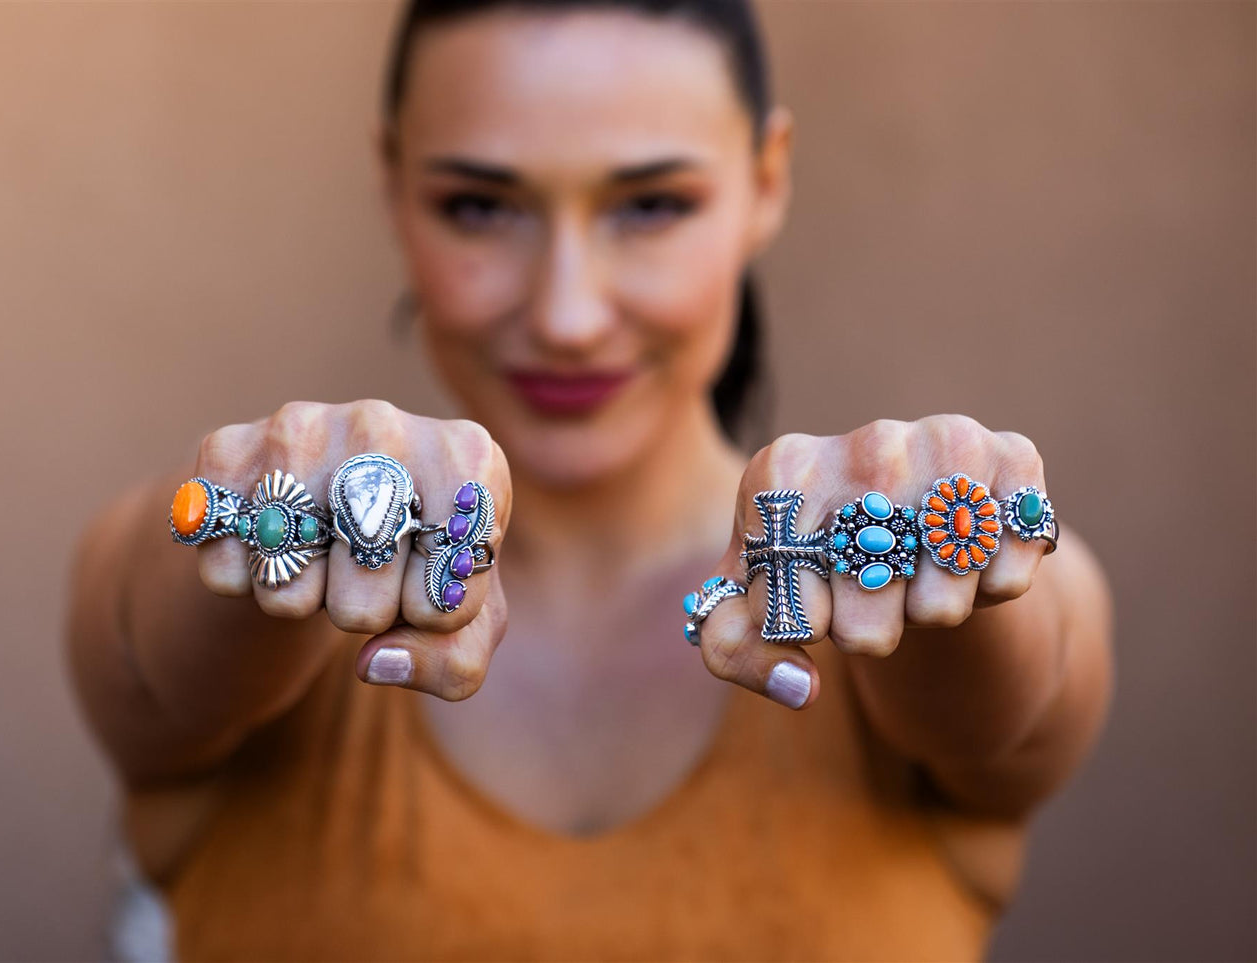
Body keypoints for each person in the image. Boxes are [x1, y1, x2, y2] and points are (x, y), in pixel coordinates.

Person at [66, 1, 1115, 959]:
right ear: (393, 187)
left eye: (650, 205)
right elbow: (148, 637)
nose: (567, 314)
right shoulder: (250, 592)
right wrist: (265, 512)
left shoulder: (902, 580)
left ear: (766, 180)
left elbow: (1029, 676)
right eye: (479, 207)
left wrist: (959, 542)